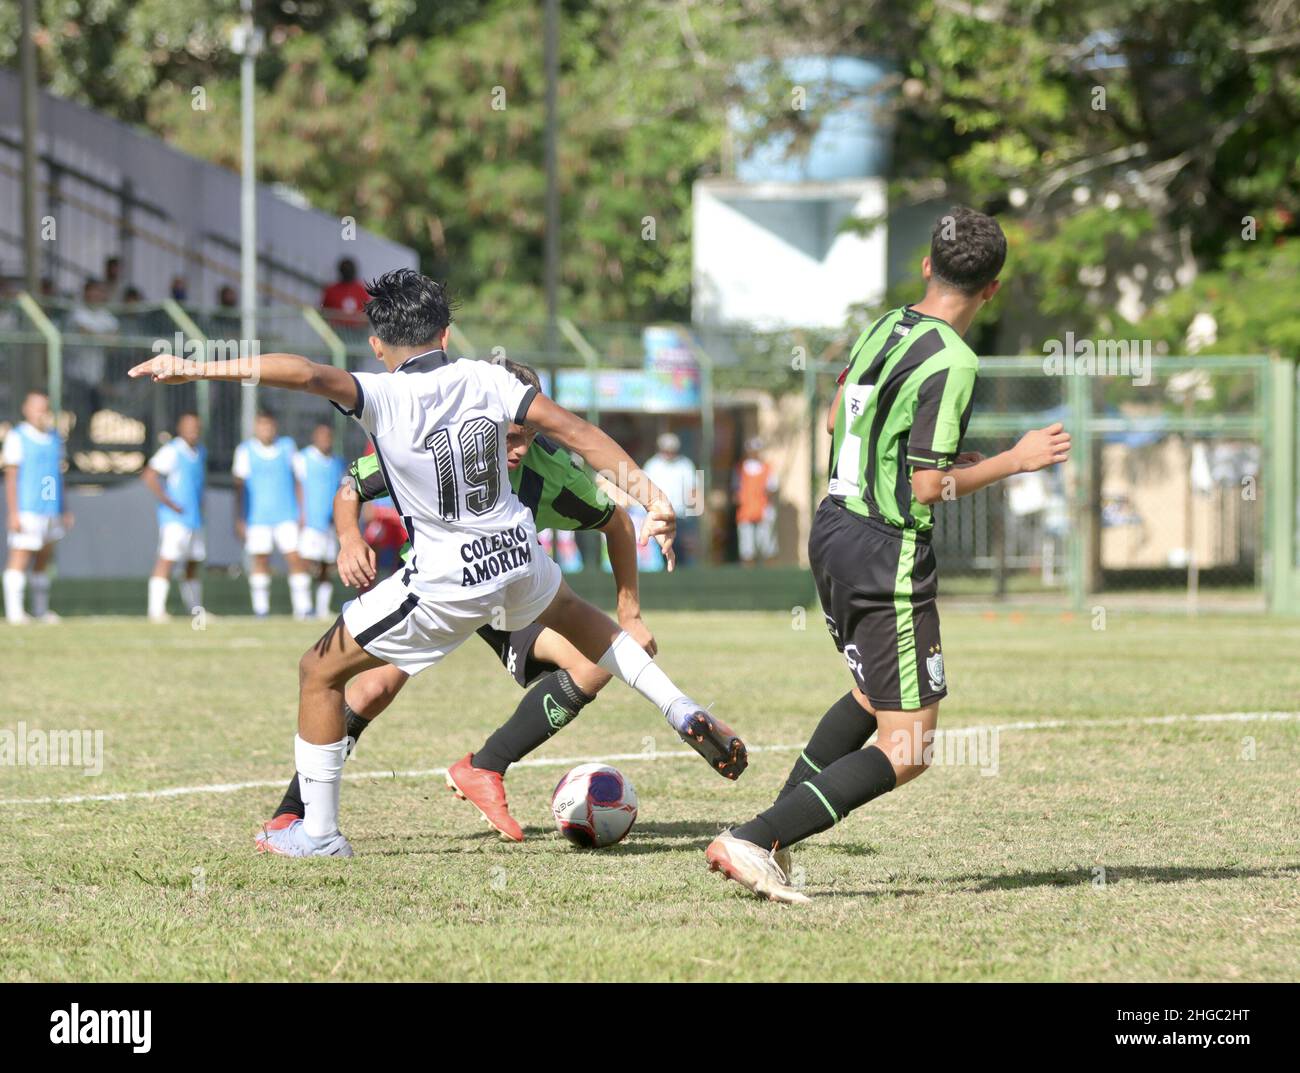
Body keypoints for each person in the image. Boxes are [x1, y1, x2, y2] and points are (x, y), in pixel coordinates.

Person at [129, 269, 745, 859]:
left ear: (375, 344)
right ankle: (679, 708)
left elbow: (307, 374)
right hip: (517, 552)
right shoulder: (488, 378)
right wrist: (650, 496)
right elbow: (577, 429)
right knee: (588, 626)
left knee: (319, 671)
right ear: (445, 335)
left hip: (446, 579)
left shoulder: (382, 392)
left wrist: (198, 367)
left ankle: (316, 832)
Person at [705, 207, 1072, 903]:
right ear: (992, 290)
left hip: (834, 527)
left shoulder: (885, 325)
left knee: (872, 696)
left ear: (928, 265)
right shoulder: (956, 360)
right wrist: (1013, 461)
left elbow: (836, 415)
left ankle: (768, 833)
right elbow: (927, 486)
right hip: (885, 549)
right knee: (909, 745)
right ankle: (755, 837)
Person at [263, 359, 743, 842]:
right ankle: (294, 811)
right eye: (508, 437)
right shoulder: (438, 435)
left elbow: (615, 523)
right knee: (368, 691)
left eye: (528, 436)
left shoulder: (552, 471)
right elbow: (351, 484)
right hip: (437, 587)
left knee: (594, 662)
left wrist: (629, 613)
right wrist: (348, 537)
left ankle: (485, 766)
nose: (517, 450)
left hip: (510, 585)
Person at [232, 412, 312, 619]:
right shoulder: (245, 451)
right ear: (256, 427)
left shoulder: (287, 447)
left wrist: (303, 512)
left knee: (295, 559)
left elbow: (298, 481)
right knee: (260, 561)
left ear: (275, 426)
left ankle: (303, 609)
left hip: (287, 515)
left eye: (269, 425)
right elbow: (239, 489)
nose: (266, 429)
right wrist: (240, 518)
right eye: (262, 425)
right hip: (257, 517)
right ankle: (261, 609)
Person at [4, 392, 72, 624]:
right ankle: (15, 613)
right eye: (36, 408)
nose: (41, 412)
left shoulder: (55, 438)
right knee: (20, 557)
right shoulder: (17, 436)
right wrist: (14, 513)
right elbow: (11, 477)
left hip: (50, 509)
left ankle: (41, 611)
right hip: (28, 508)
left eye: (44, 408)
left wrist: (64, 508)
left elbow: (58, 476)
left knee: (43, 559)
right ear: (26, 409)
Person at [142, 412, 207, 622]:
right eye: (188, 426)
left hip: (194, 518)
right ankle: (156, 611)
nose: (192, 431)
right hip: (175, 520)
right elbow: (149, 475)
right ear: (179, 428)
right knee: (166, 560)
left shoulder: (200, 452)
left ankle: (196, 611)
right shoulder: (172, 450)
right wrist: (169, 502)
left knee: (192, 564)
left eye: (196, 427)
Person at [293, 422, 346, 619]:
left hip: (330, 523)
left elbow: (342, 491)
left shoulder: (338, 462)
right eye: (322, 436)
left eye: (328, 436)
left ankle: (322, 609)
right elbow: (297, 487)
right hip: (310, 522)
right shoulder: (303, 458)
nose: (326, 440)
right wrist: (300, 513)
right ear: (314, 437)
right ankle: (303, 608)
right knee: (306, 562)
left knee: (327, 565)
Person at [642, 432, 699, 565]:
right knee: (658, 555)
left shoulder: (685, 465)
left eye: (671, 450)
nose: (668, 453)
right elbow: (644, 491)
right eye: (666, 450)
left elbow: (693, 492)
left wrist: (693, 518)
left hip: (681, 518)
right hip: (658, 517)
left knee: (684, 554)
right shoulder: (652, 465)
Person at [733, 437, 778, 565]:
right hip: (745, 513)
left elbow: (772, 488)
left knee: (768, 547)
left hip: (764, 512)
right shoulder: (739, 469)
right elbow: (736, 490)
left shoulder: (767, 468)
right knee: (747, 549)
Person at [321, 257, 371, 325]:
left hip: (358, 331)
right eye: (346, 270)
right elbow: (324, 311)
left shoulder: (362, 291)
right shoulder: (331, 290)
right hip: (335, 329)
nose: (348, 273)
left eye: (349, 270)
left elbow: (368, 313)